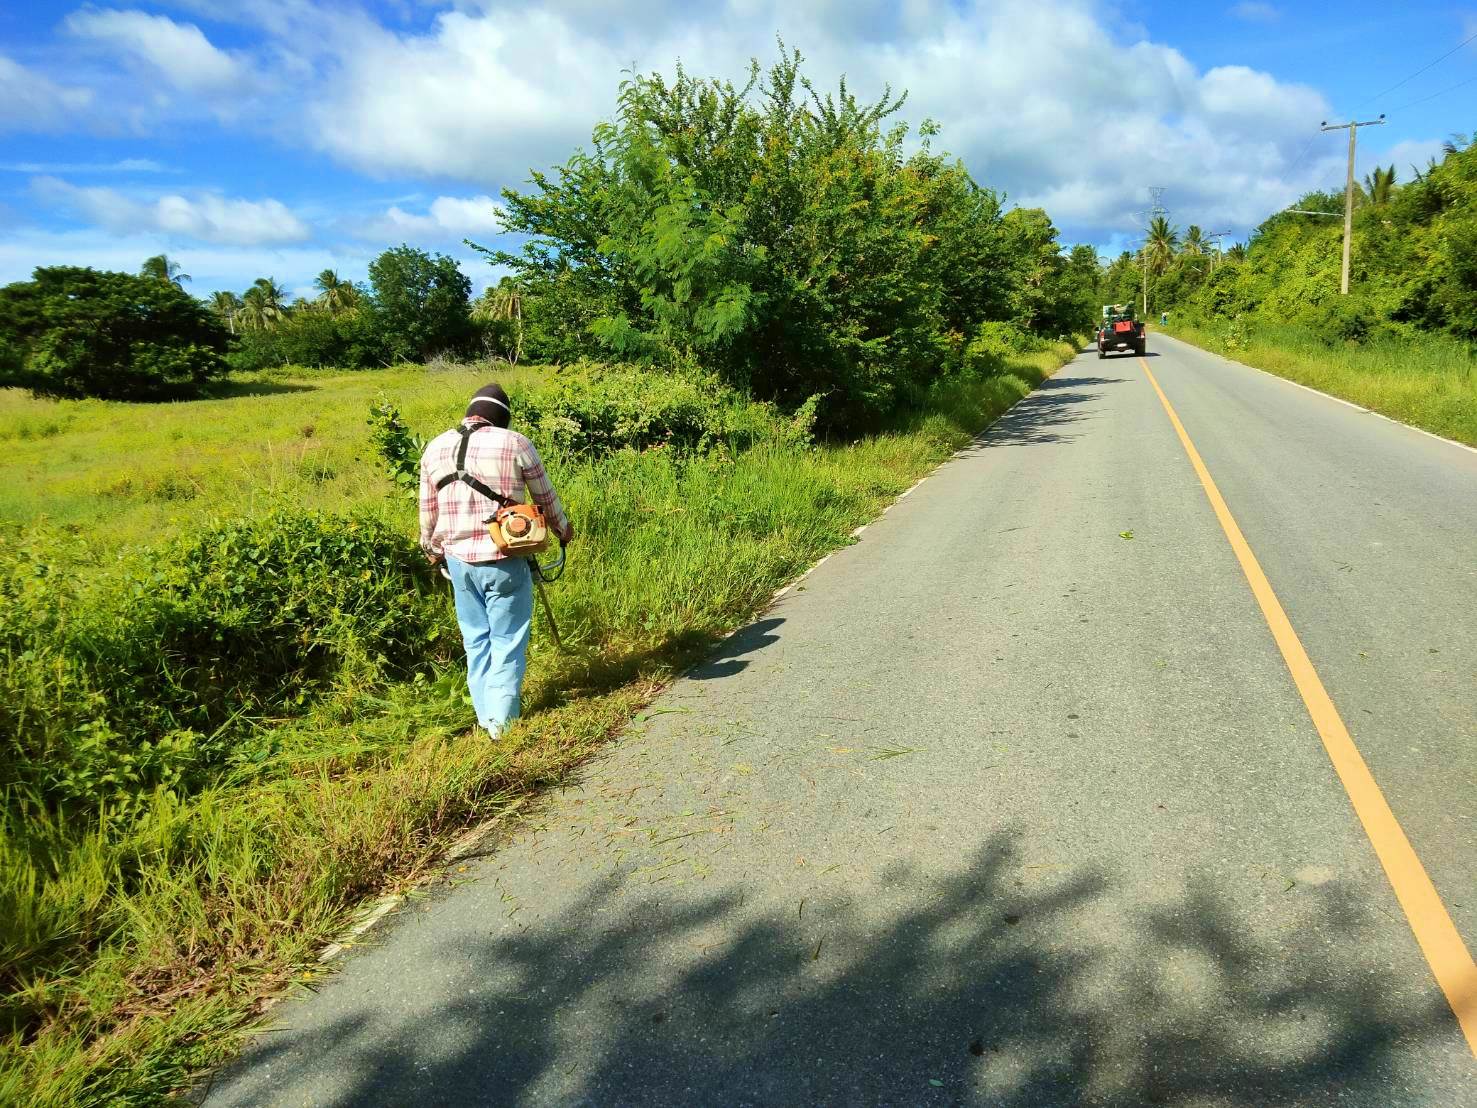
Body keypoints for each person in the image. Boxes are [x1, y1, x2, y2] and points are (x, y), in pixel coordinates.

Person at [418, 383, 573, 736]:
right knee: (507, 639)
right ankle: (501, 727)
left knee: (475, 639)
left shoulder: (435, 447)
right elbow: (544, 497)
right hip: (504, 556)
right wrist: (563, 529)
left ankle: (486, 717)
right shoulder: (514, 442)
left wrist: (431, 549)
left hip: (457, 561)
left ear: (471, 411)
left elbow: (428, 510)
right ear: (502, 418)